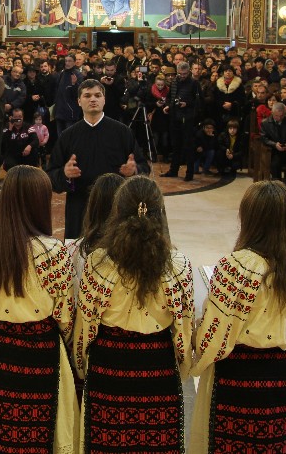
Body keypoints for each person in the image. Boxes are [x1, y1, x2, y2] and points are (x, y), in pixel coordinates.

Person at [190, 181, 286, 453]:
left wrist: (194, 341)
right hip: (284, 377)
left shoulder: (236, 267)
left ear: (247, 218)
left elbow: (213, 338)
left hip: (237, 380)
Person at [74, 176, 195, 454]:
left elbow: (86, 327)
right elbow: (183, 333)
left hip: (109, 371)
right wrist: (183, 367)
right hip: (158, 372)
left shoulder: (99, 263)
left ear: (117, 212)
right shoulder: (178, 266)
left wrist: (81, 364)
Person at [0, 165, 78, 454]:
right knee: (40, 434)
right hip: (41, 354)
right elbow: (65, 316)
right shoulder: (53, 252)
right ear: (39, 203)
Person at [47, 79, 144, 240]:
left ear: (104, 100)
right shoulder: (68, 136)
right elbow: (50, 176)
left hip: (115, 209)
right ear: (79, 101)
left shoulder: (122, 132)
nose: (93, 99)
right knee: (78, 261)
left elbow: (142, 167)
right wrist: (64, 174)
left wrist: (134, 171)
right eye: (87, 95)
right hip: (79, 210)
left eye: (98, 95)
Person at [162, 62, 201, 181]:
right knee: (175, 145)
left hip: (188, 118)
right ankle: (173, 170)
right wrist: (168, 105)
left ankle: (189, 173)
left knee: (188, 146)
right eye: (180, 74)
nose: (182, 76)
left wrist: (187, 104)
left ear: (189, 72)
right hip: (174, 117)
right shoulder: (174, 82)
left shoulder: (194, 83)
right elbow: (170, 97)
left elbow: (199, 101)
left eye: (184, 74)